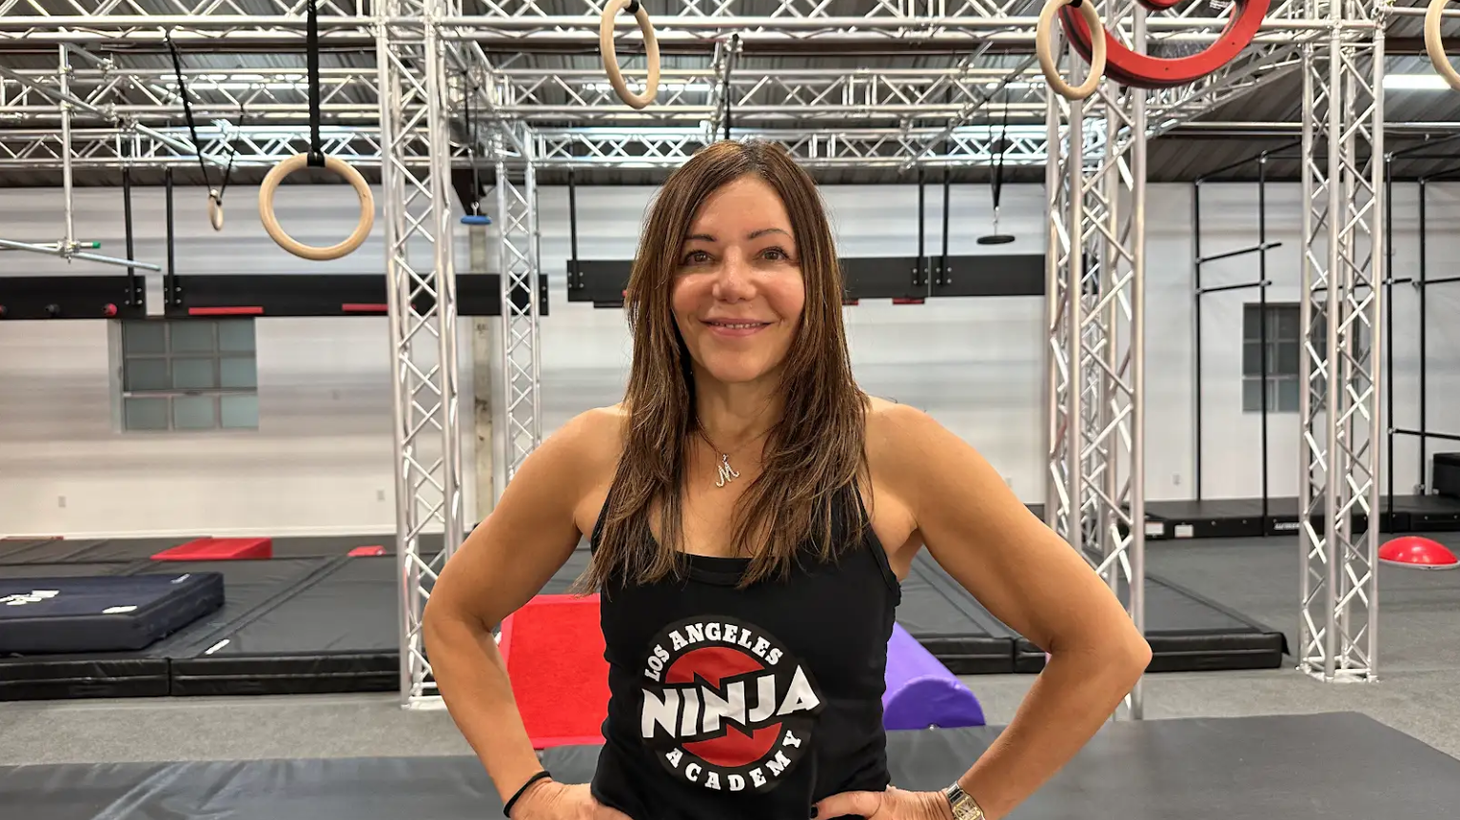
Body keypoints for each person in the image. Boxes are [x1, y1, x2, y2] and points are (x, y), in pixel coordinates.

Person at [423, 139, 1152, 820]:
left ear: (814, 280)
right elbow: (454, 618)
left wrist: (953, 809)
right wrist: (530, 794)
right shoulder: (594, 453)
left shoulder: (897, 452)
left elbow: (1106, 648)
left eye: (770, 253)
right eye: (698, 256)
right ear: (662, 283)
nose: (733, 285)